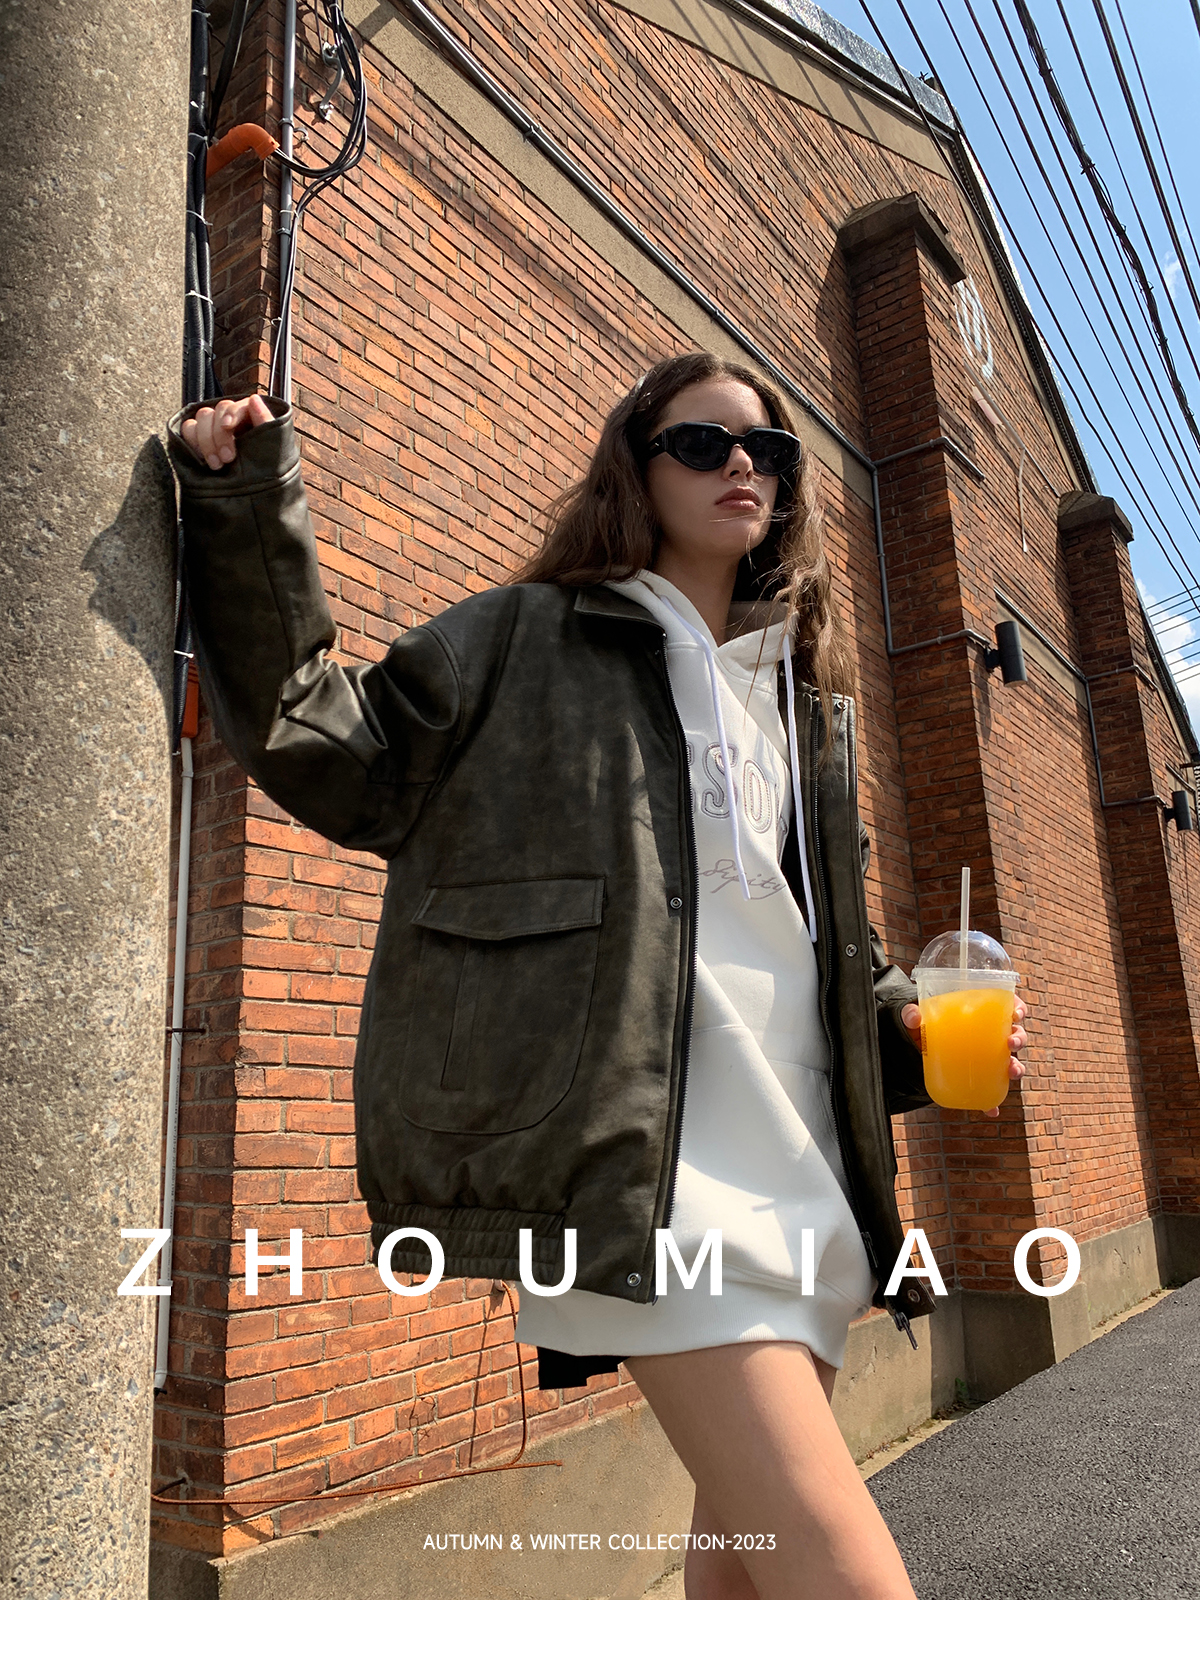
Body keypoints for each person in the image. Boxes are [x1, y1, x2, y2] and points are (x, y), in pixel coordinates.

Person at [169, 351, 1027, 1599]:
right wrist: (245, 502)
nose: (743, 465)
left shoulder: (801, 699)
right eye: (705, 442)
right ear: (638, 466)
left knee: (744, 1585)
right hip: (645, 1176)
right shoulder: (525, 638)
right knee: (853, 1597)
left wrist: (910, 1031)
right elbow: (326, 737)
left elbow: (823, 947)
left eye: (770, 451)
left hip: (805, 1171)